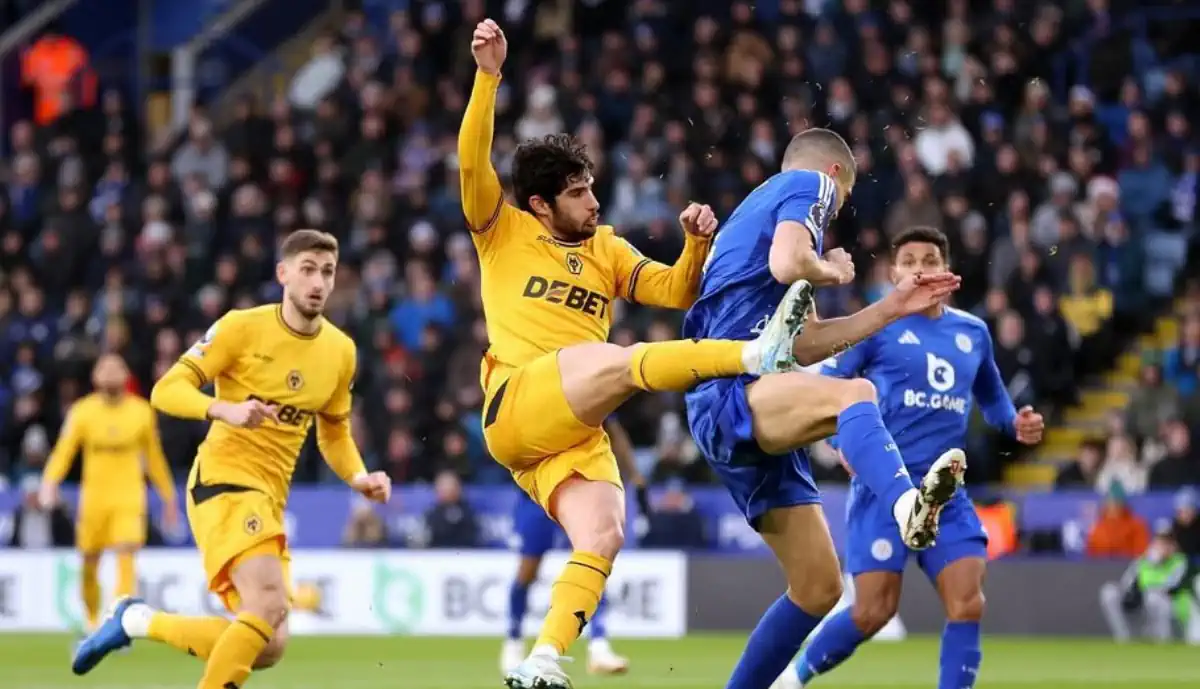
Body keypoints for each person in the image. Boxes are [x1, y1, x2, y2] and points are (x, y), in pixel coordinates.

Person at [463, 21, 806, 689]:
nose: (595, 201)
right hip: (518, 400)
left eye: (592, 187)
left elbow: (677, 290)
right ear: (539, 204)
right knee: (620, 360)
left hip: (572, 427)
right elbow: (472, 162)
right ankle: (754, 354)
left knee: (604, 535)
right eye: (578, 193)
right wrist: (487, 78)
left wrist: (694, 246)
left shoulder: (610, 249)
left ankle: (543, 660)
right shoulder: (501, 230)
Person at [683, 130, 965, 689]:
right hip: (731, 388)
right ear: (835, 176)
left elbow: (806, 343)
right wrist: (831, 269)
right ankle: (909, 505)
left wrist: (891, 308)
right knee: (856, 395)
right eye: (841, 202)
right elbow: (790, 263)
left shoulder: (752, 217)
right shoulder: (809, 186)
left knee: (819, 588)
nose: (833, 214)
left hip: (743, 394)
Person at [71, 230, 393, 689]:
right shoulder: (241, 327)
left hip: (268, 499)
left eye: (327, 271)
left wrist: (359, 476)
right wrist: (222, 408)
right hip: (223, 479)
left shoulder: (341, 351)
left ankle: (136, 621)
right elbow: (166, 389)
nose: (318, 282)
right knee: (266, 607)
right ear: (283, 274)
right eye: (307, 269)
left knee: (268, 644)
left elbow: (335, 431)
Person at [777, 226, 1045, 689]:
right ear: (893, 272)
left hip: (946, 489)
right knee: (872, 612)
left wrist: (1015, 423)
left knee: (968, 602)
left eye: (929, 260)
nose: (920, 269)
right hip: (886, 488)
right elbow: (831, 391)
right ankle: (793, 678)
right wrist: (844, 444)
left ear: (946, 269)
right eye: (909, 261)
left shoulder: (973, 332)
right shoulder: (874, 326)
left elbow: (993, 401)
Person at [37, 353, 179, 635]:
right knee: (89, 563)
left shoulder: (141, 411)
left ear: (126, 375)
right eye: (105, 368)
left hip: (128, 498)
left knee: (127, 556)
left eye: (118, 368)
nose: (111, 373)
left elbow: (154, 459)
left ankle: (117, 625)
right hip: (94, 501)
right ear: (95, 377)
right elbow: (64, 452)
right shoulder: (83, 411)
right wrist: (49, 482)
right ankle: (91, 619)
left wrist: (168, 496)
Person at [501, 418, 644, 676]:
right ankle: (513, 640)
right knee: (527, 571)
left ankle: (599, 645)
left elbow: (614, 429)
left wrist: (634, 474)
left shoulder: (575, 390)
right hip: (536, 494)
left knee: (591, 562)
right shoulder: (532, 390)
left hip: (577, 487)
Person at [1099, 527, 1197, 643]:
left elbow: (1173, 588)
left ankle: (1164, 641)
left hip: (1174, 611)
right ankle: (1124, 638)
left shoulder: (1180, 562)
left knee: (1154, 596)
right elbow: (1127, 586)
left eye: (1166, 543)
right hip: (1143, 610)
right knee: (1109, 592)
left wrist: (1158, 566)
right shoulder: (1143, 561)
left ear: (1173, 546)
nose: (1162, 547)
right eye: (1159, 543)